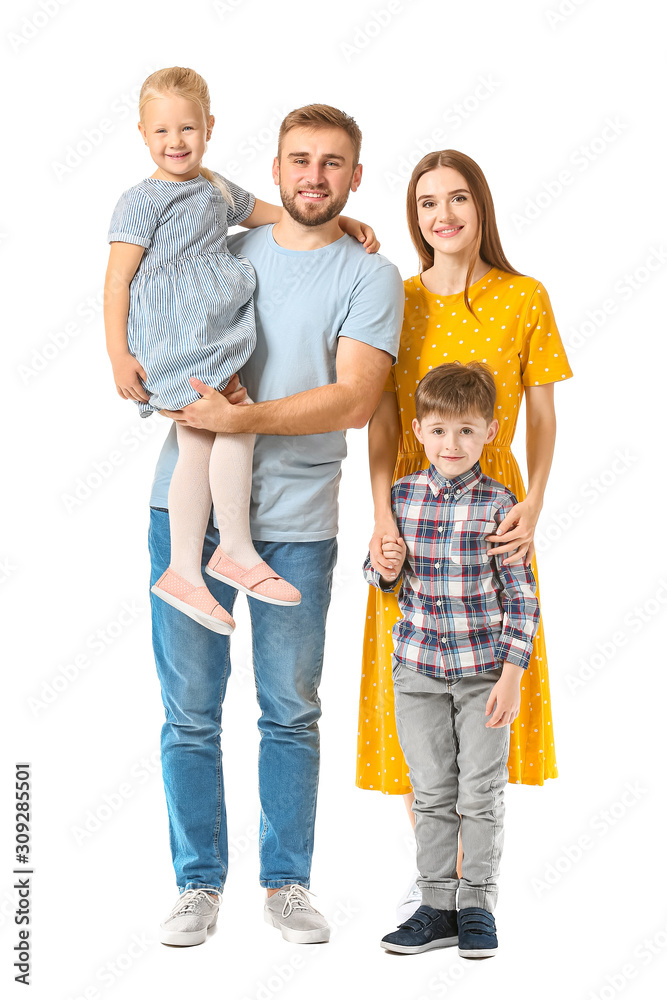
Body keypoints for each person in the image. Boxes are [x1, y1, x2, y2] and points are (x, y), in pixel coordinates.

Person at [147, 104, 404, 946]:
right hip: (185, 516)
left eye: (334, 164)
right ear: (277, 166)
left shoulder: (369, 276)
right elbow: (151, 297)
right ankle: (197, 887)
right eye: (300, 160)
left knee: (288, 709)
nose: (314, 176)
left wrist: (237, 422)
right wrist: (139, 362)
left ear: (355, 177)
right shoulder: (226, 245)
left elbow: (355, 398)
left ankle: (286, 882)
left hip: (296, 519)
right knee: (190, 711)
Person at [357, 150, 573, 921]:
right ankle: (437, 888)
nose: (441, 216)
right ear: (413, 217)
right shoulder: (397, 298)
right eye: (424, 204)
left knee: (482, 701)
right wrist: (381, 514)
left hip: (495, 517)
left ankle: (466, 893)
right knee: (410, 713)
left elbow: (543, 414)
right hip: (410, 520)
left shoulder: (523, 296)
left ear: (480, 206)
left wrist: (534, 505)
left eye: (455, 199)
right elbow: (383, 417)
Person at [104, 68, 376, 634]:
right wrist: (118, 354)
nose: (175, 142)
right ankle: (204, 558)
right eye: (161, 132)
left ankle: (211, 557)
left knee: (221, 429)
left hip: (207, 339)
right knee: (219, 428)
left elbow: (272, 212)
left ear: (209, 128)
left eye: (188, 128)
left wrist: (338, 217)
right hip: (172, 339)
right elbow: (116, 282)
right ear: (141, 134)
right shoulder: (140, 201)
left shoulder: (214, 188)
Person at [364, 361, 540, 958]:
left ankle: (477, 907)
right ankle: (436, 906)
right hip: (417, 672)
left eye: (466, 430)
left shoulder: (501, 506)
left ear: (491, 432)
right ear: (417, 431)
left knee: (480, 793)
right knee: (431, 790)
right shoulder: (402, 498)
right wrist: (383, 568)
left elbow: (521, 597)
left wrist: (512, 674)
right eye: (439, 431)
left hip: (484, 671)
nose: (452, 444)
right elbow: (383, 575)